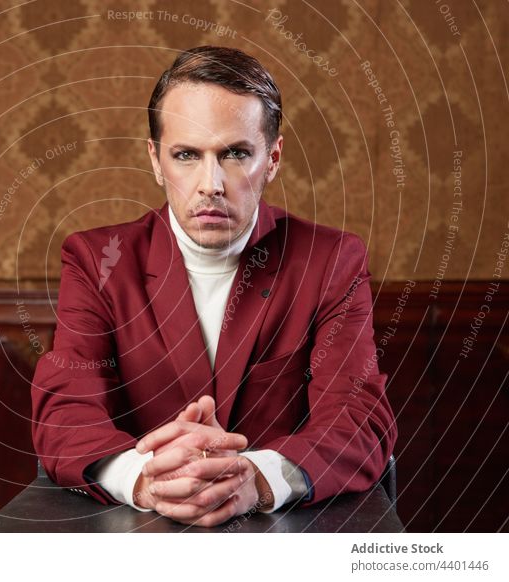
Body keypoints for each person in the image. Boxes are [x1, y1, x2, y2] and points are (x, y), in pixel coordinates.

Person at [31, 46, 396, 527]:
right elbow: (65, 412)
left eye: (236, 154)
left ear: (273, 158)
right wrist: (147, 478)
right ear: (156, 161)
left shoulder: (330, 261)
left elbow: (357, 420)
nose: (211, 184)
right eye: (186, 155)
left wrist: (258, 478)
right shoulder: (96, 261)